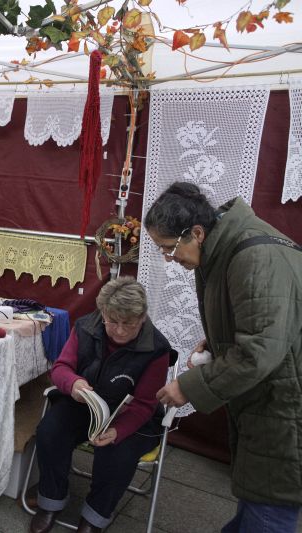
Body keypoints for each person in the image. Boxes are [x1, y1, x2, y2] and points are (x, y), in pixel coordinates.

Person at [145, 181, 302, 533]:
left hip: (285, 403)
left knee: (269, 509)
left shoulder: (253, 257)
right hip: (274, 393)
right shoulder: (231, 246)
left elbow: (259, 350)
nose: (169, 258)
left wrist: (187, 387)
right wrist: (218, 341)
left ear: (197, 233)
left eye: (169, 248)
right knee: (258, 497)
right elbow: (272, 322)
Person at [27, 277, 172, 533]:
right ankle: (50, 501)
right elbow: (61, 367)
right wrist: (73, 383)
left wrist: (119, 429)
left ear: (142, 318)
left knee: (117, 453)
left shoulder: (156, 349)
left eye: (129, 323)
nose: (120, 331)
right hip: (86, 403)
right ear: (102, 312)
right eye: (112, 321)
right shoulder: (86, 327)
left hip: (132, 417)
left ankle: (95, 517)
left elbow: (144, 404)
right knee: (50, 431)